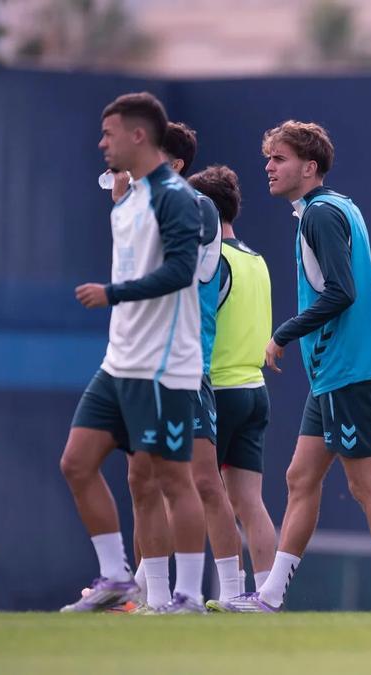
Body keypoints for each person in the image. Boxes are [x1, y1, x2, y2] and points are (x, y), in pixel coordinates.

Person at [216, 121, 371, 613]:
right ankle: (269, 597)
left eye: (280, 159)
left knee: (364, 483)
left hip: (346, 367)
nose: (268, 167)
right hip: (332, 371)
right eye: (269, 158)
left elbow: (341, 292)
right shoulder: (331, 208)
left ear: (308, 168)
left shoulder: (320, 215)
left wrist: (283, 334)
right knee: (298, 477)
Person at [60, 92, 207, 612]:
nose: (102, 143)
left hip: (164, 366)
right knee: (77, 463)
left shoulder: (175, 197)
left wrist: (111, 293)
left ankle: (187, 595)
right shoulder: (129, 200)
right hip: (118, 361)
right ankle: (115, 577)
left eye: (109, 133)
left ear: (138, 136)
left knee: (171, 477)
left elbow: (181, 271)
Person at [116, 122, 245, 612]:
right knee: (142, 480)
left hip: (185, 365)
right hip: (143, 365)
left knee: (201, 482)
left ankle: (222, 594)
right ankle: (150, 595)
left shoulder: (199, 207)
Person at [188, 164, 279, 601]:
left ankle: (228, 592)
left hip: (219, 389)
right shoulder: (256, 260)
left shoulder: (215, 260)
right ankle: (265, 596)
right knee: (250, 502)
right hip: (255, 390)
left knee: (201, 492)